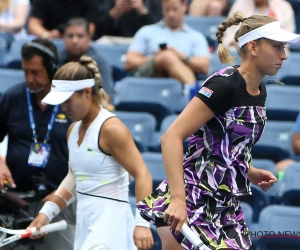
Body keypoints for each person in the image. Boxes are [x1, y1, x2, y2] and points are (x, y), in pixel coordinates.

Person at [136, 10, 300, 250]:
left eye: (284, 48)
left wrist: (249, 171)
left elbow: (223, 147)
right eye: (277, 47)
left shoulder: (259, 91)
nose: (283, 55)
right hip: (190, 199)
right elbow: (171, 137)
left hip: (224, 205)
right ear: (253, 48)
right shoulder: (223, 84)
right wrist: (179, 201)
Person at [28, 55, 154, 250]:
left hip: (111, 226)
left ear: (87, 92)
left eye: (68, 100)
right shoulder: (72, 130)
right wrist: (47, 213)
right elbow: (73, 177)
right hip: (85, 224)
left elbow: (143, 174)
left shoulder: (112, 129)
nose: (64, 108)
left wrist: (143, 223)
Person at [0, 38, 76, 250]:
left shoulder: (71, 101)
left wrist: (64, 192)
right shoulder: (13, 97)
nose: (29, 79)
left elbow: (87, 153)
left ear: (52, 69)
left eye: (35, 72)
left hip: (59, 201)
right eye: (25, 72)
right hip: (16, 201)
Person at [125, 0, 210, 94]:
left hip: (181, 77)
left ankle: (191, 93)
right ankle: (196, 95)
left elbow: (204, 66)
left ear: (184, 6)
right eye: (167, 9)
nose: (171, 14)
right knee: (167, 56)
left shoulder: (196, 37)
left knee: (168, 56)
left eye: (174, 9)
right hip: (148, 74)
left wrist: (180, 56)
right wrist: (158, 57)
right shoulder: (146, 31)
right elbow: (129, 61)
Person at [60, 17, 115, 109]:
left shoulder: (100, 63)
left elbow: (106, 98)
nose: (74, 41)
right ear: (63, 38)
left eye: (80, 36)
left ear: (89, 39)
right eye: (70, 36)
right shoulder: (56, 59)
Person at [222, 0, 295, 48]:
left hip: (275, 53)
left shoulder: (284, 7)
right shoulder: (240, 4)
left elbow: (288, 37)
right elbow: (229, 34)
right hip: (243, 53)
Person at [96, 0, 162, 44]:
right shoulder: (112, 1)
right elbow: (99, 30)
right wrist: (115, 11)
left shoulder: (153, 2)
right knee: (101, 42)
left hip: (143, 41)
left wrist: (143, 11)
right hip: (117, 39)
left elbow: (159, 28)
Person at [28, 0, 98, 39]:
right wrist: (47, 34)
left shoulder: (91, 2)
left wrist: (73, 36)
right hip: (49, 41)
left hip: (78, 42)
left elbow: (90, 28)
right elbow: (33, 25)